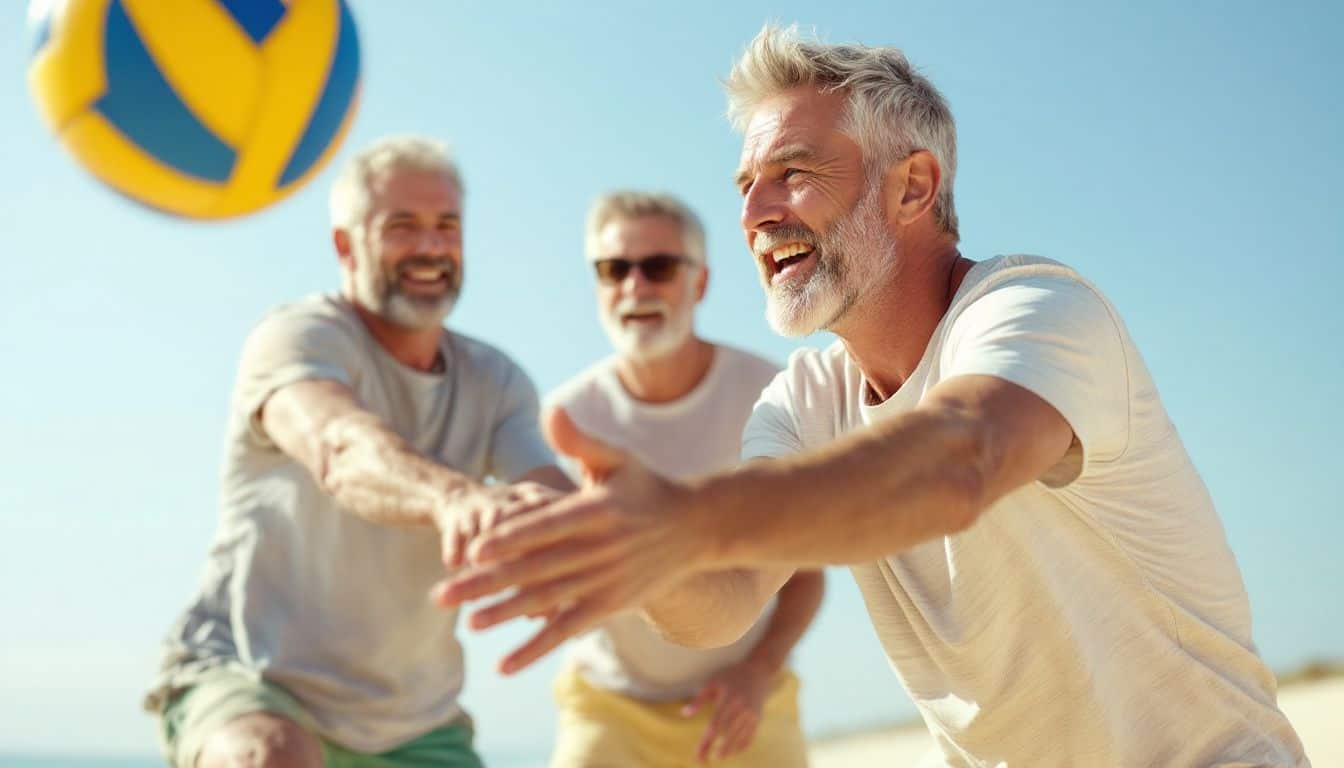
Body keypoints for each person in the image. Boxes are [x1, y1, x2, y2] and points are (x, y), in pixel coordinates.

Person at [437, 26, 1311, 767]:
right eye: (746, 186)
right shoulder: (807, 398)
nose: (754, 214)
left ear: (913, 186)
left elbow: (959, 458)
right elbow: (726, 601)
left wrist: (688, 518)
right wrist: (632, 559)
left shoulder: (1036, 308)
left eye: (794, 171)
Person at [144, 135, 570, 768]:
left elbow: (548, 493)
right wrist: (453, 497)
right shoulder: (296, 337)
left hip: (414, 722)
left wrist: (570, 538)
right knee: (269, 756)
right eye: (402, 226)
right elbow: (341, 449)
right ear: (344, 245)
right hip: (253, 681)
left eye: (446, 225)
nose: (430, 246)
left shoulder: (495, 378)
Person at [546, 191, 823, 767]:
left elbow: (806, 575)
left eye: (660, 266)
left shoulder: (770, 396)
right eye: (614, 268)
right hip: (610, 706)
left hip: (745, 694)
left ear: (699, 283)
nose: (635, 286)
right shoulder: (567, 418)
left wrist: (756, 671)